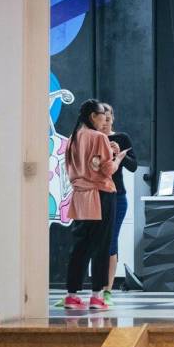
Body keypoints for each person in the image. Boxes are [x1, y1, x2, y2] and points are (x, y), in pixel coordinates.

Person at [63, 99, 128, 311]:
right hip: (101, 194)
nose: (105, 120)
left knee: (80, 247)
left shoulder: (73, 138)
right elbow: (107, 170)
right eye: (102, 116)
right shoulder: (99, 137)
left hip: (79, 196)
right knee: (101, 246)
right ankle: (97, 296)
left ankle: (71, 296)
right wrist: (117, 158)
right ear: (93, 116)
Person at [98, 103, 136, 305]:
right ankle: (95, 289)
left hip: (117, 196)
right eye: (101, 117)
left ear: (113, 118)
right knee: (96, 243)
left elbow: (133, 166)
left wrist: (120, 153)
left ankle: (107, 291)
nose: (105, 121)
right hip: (95, 196)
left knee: (111, 241)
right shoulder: (92, 139)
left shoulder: (121, 138)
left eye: (108, 117)